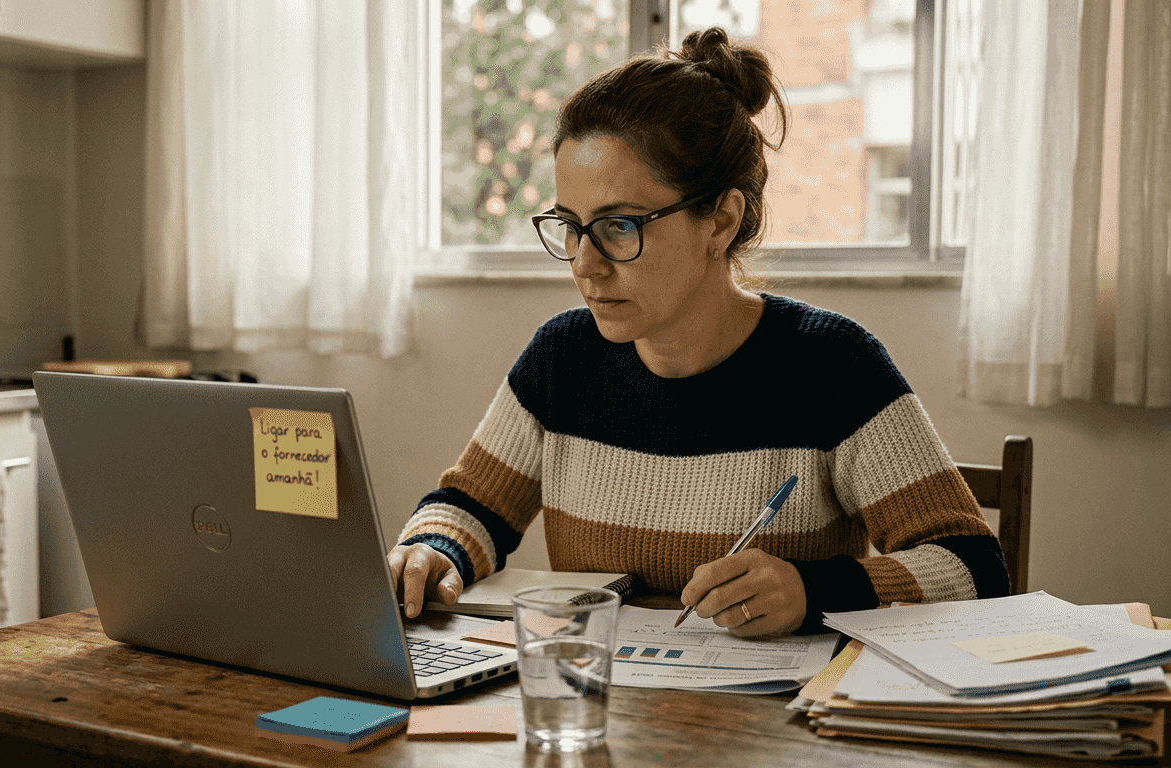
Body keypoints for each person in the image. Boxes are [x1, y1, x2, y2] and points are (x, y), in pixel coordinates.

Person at [388, 28, 1009, 637]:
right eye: (570, 226)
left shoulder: (830, 364)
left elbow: (976, 569)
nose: (585, 263)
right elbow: (469, 507)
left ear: (721, 219)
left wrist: (813, 591)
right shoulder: (562, 358)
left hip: (772, 728)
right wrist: (432, 549)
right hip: (600, 707)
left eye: (620, 226)